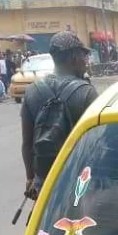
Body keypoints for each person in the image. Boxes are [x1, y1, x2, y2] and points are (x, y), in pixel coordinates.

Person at [21, 31, 98, 198]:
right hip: (77, 183)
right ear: (73, 57)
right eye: (83, 56)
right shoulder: (87, 93)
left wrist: (30, 178)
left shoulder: (32, 91)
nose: (86, 62)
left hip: (45, 184)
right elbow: (96, 144)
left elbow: (27, 143)